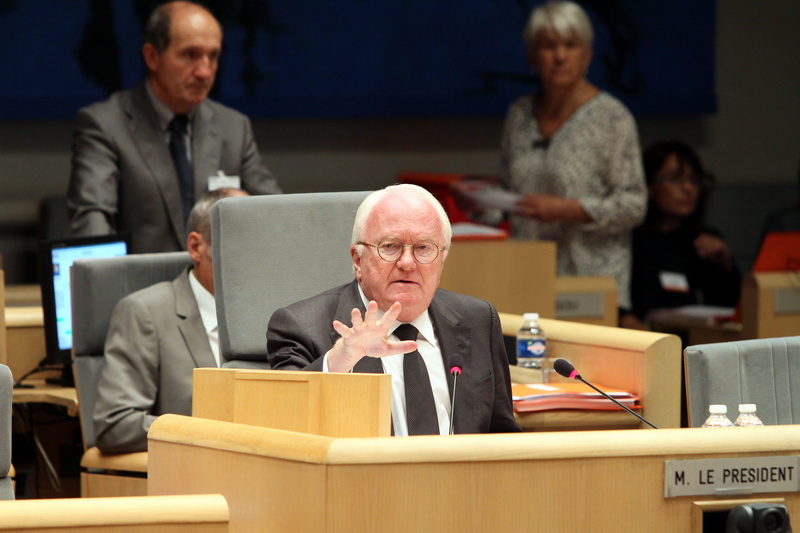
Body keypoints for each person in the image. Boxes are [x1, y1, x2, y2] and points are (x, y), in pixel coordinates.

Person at [267, 184, 522, 436]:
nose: (408, 263)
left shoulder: (477, 319)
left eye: (424, 248)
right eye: (390, 246)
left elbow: (501, 434)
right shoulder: (301, 326)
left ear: (442, 261)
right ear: (357, 259)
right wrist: (339, 360)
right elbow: (281, 427)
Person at [453, 0, 645, 312]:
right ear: (532, 57)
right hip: (525, 276)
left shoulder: (612, 117)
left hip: (590, 281)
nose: (559, 56)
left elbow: (634, 205)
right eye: (548, 46)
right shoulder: (519, 114)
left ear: (588, 54)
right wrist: (479, 202)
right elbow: (511, 202)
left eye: (570, 45)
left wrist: (568, 209)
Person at [67, 1, 280, 255]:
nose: (204, 71)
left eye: (212, 56)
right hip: (139, 290)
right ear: (152, 56)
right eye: (190, 54)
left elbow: (274, 214)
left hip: (215, 290)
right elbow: (93, 224)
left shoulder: (233, 127)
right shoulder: (104, 124)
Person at [94, 187, 247, 453]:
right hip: (188, 475)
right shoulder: (144, 313)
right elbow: (115, 425)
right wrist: (210, 433)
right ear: (196, 247)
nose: (254, 258)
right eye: (241, 243)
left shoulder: (278, 314)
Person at [620, 141, 741, 330]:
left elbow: (736, 306)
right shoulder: (630, 241)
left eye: (694, 180)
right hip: (654, 341)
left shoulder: (707, 239)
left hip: (706, 341)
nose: (688, 188)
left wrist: (726, 264)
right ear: (649, 187)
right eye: (675, 179)